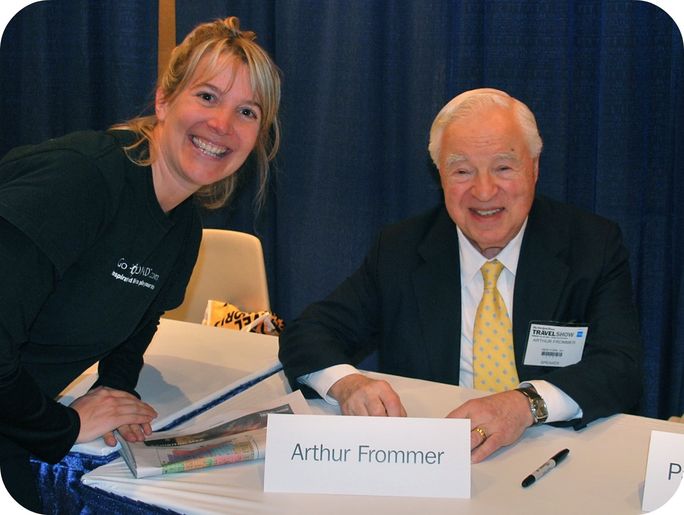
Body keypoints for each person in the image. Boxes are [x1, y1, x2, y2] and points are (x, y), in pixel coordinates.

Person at [0, 16, 280, 511]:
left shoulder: (183, 227)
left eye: (247, 111)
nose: (222, 126)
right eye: (208, 97)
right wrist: (59, 426)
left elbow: (138, 320)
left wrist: (116, 391)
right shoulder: (79, 181)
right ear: (163, 100)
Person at [279, 88, 641, 465]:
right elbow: (309, 332)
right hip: (433, 462)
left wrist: (524, 404)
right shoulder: (402, 249)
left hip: (550, 455)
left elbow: (621, 367)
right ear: (440, 176)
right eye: (462, 171)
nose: (484, 191)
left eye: (503, 167)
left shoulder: (591, 244)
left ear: (534, 167)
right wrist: (347, 384)